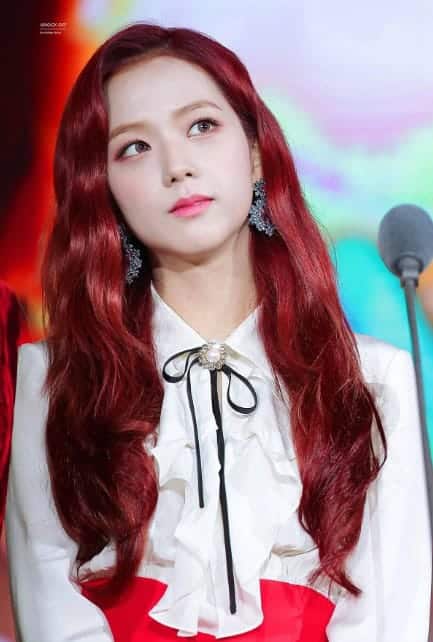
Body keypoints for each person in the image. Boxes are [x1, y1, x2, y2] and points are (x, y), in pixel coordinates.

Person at [4, 21, 431, 642]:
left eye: (201, 126)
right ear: (104, 190)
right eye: (134, 147)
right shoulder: (53, 380)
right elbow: (51, 608)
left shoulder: (375, 378)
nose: (177, 166)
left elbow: (391, 618)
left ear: (255, 153)